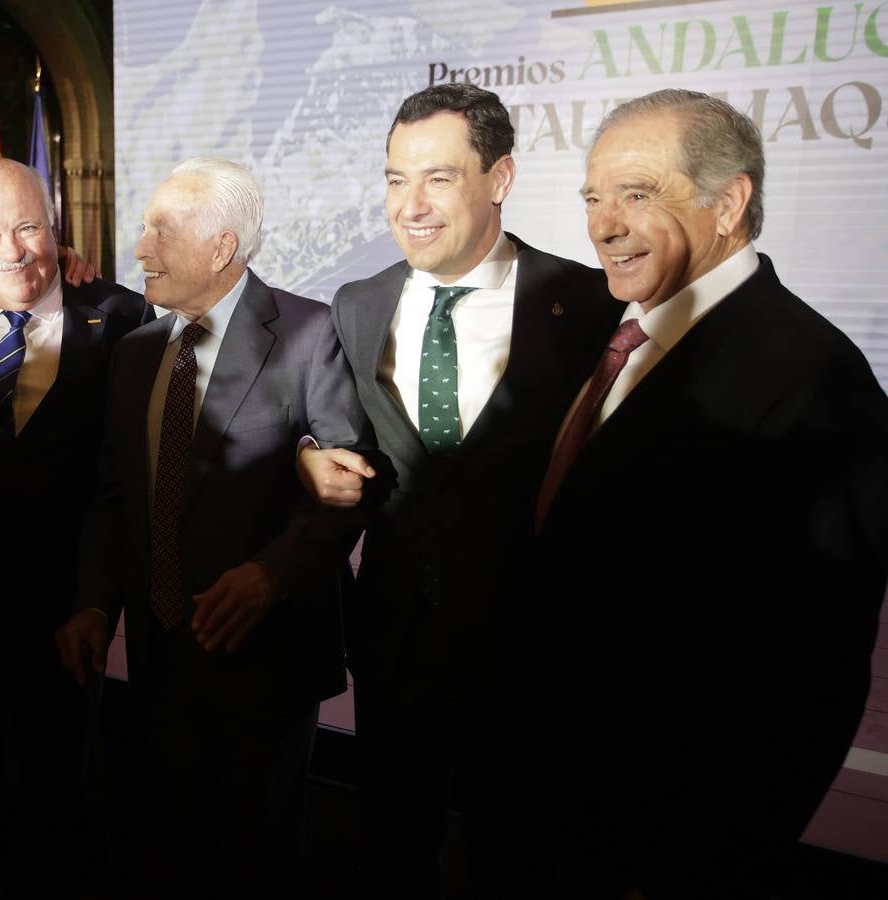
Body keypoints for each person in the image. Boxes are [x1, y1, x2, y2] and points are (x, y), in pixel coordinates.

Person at [523, 88, 888, 898]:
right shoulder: (601, 334)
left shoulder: (815, 380)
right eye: (593, 196)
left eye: (637, 194)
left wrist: (700, 862)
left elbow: (808, 679)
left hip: (662, 844)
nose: (602, 224)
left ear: (728, 203)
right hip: (544, 801)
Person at [295, 84, 621, 894]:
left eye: (437, 179)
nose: (409, 206)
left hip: (533, 650)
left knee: (519, 857)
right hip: (394, 642)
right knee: (390, 850)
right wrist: (308, 453)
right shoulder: (357, 304)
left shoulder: (585, 306)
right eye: (394, 179)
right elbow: (341, 435)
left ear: (499, 177)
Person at [55, 157, 370, 900]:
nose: (140, 248)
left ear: (220, 247)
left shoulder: (308, 332)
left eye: (159, 230)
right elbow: (112, 494)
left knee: (255, 860)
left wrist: (271, 574)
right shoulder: (136, 350)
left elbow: (343, 489)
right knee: (171, 848)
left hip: (262, 660)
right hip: (160, 655)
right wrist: (95, 602)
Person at [0, 157, 151, 899]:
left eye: (28, 227)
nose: (12, 251)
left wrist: (96, 599)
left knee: (63, 802)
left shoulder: (121, 318)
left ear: (55, 228)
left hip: (66, 616)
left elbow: (125, 478)